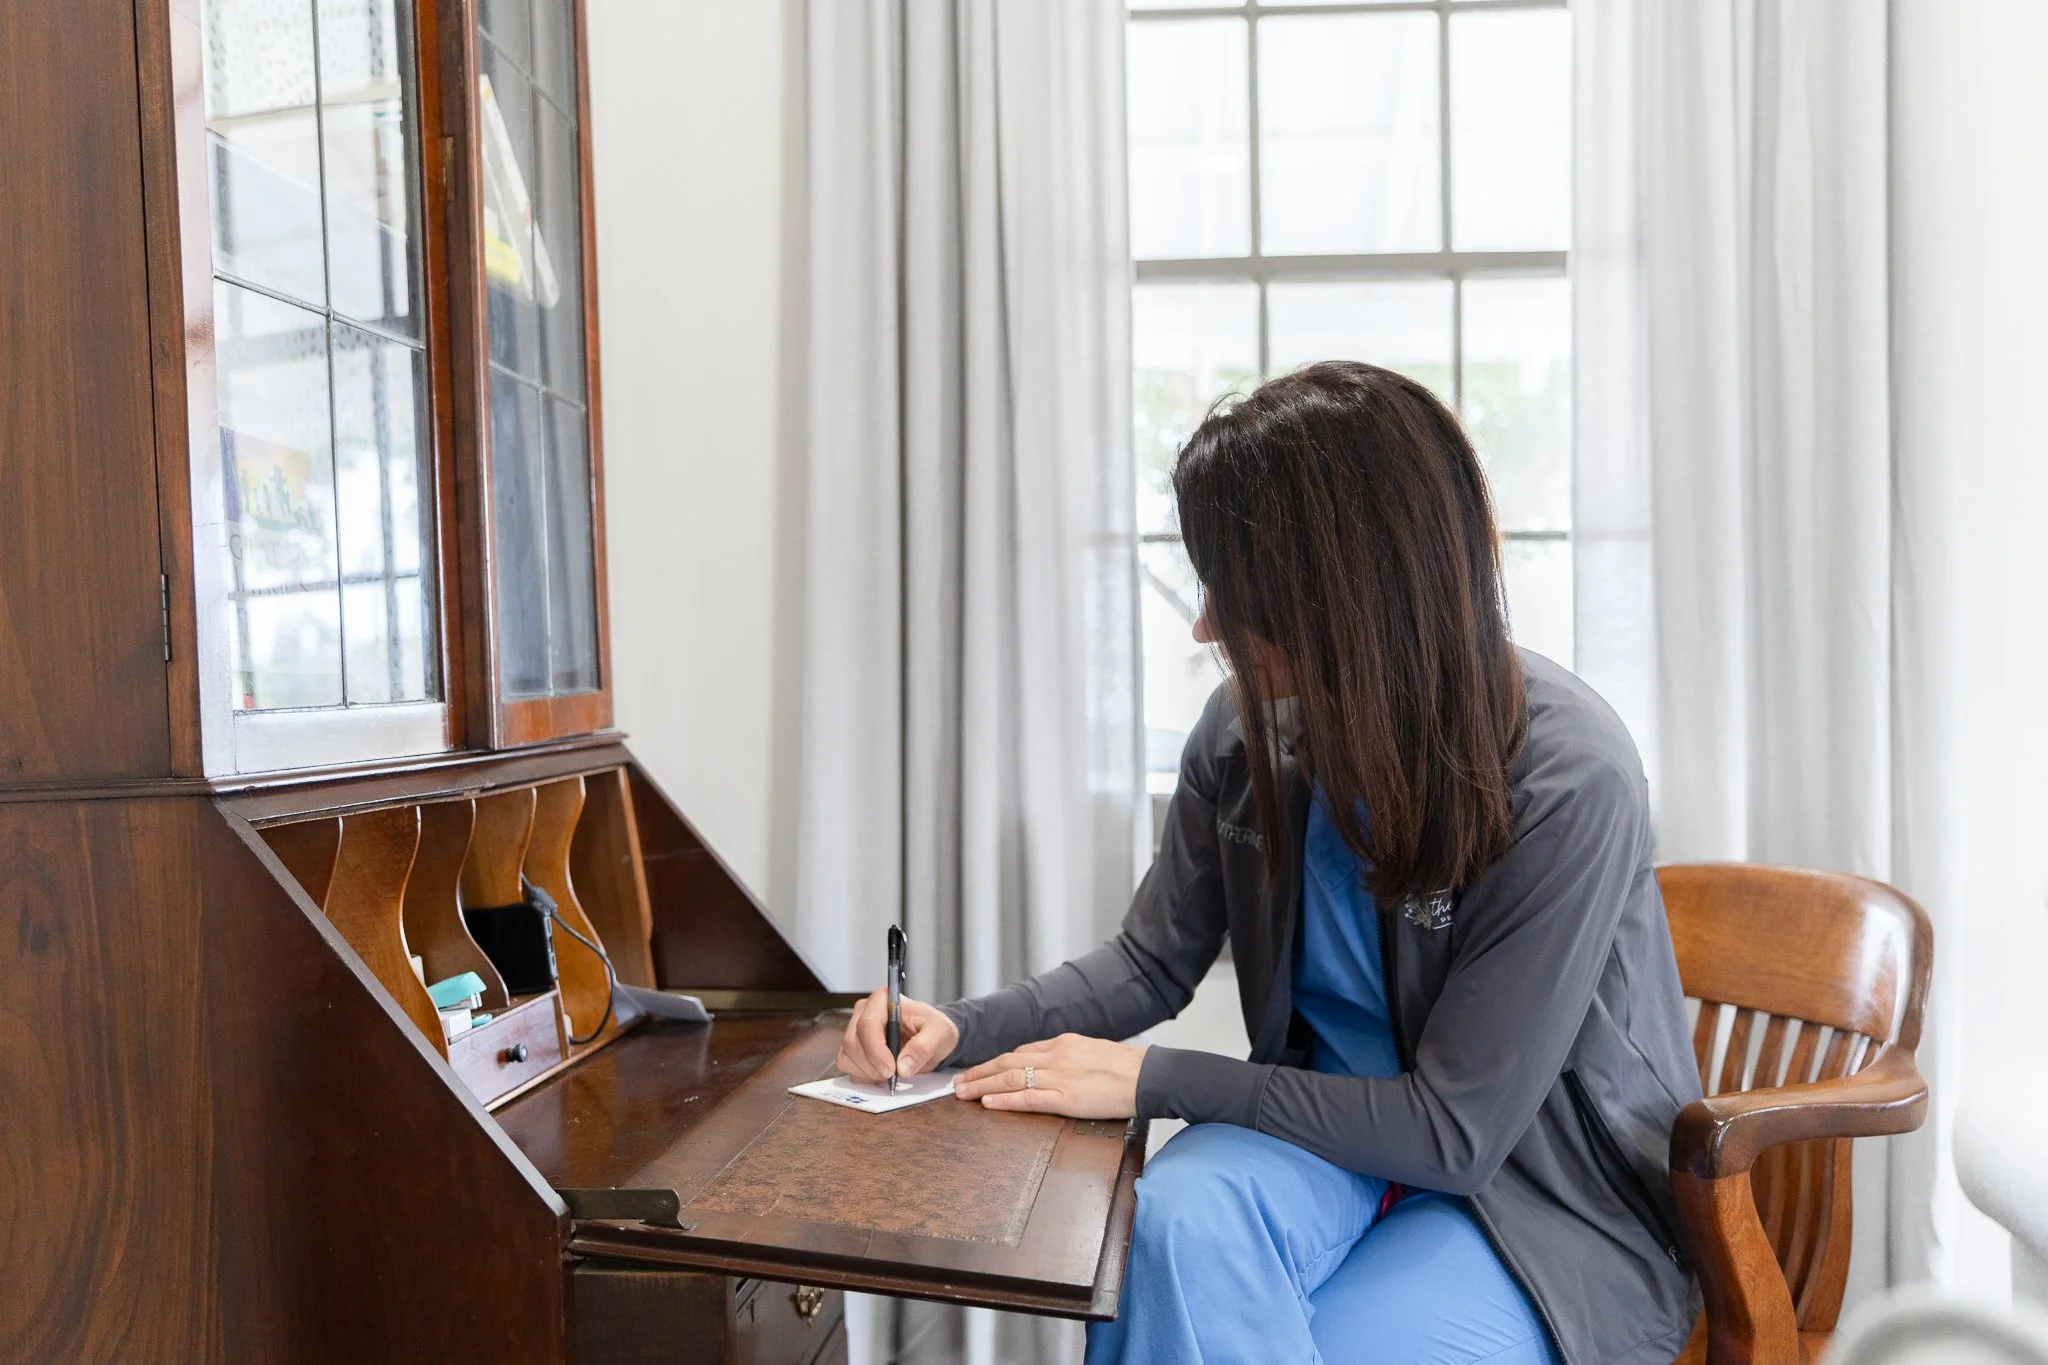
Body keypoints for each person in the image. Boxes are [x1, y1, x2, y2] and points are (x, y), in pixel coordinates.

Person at [836, 361, 1703, 1364]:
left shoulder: (1564, 777)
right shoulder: (1244, 736)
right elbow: (1150, 963)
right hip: (1319, 1137)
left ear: (1337, 596)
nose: (1204, 623)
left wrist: (1155, 1079)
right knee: (1164, 1233)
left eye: (1231, 590)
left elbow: (1453, 1133)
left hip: (1528, 1190)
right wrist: (958, 1029)